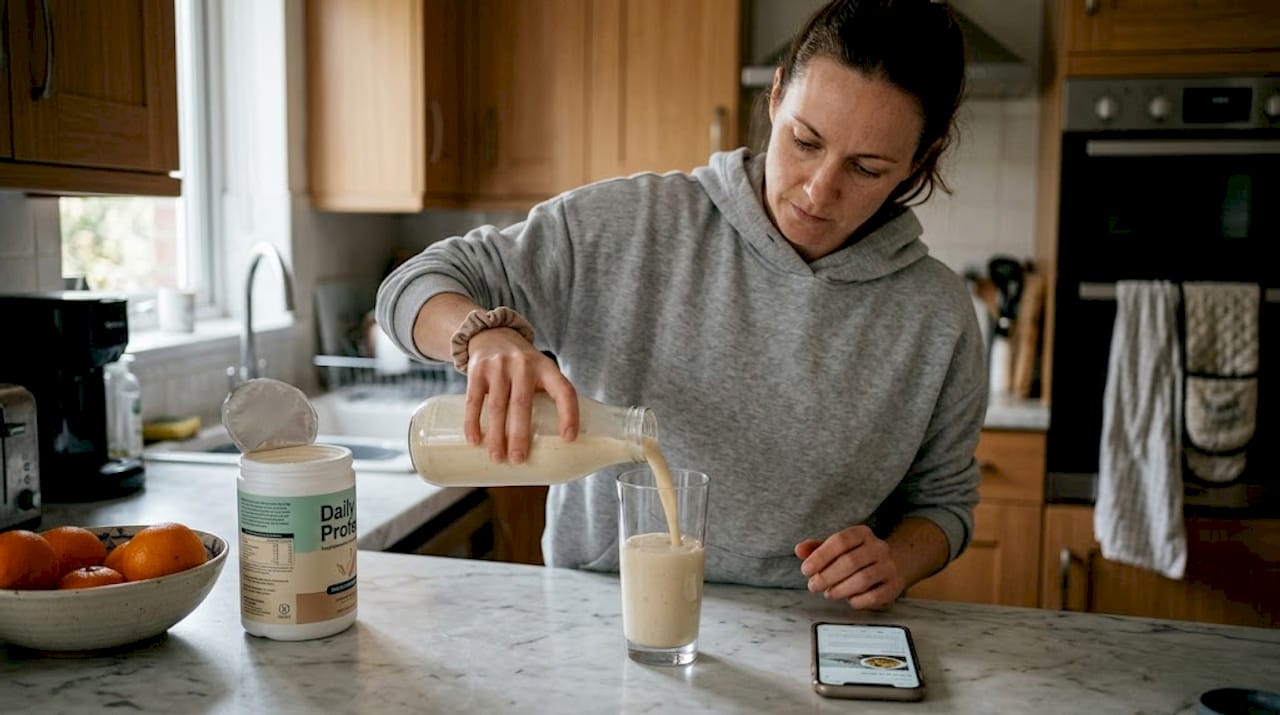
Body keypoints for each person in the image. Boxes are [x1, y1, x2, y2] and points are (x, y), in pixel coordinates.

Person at [376, 0, 984, 610]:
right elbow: (411, 287)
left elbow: (944, 505)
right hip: (601, 615)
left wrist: (897, 560)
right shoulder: (629, 227)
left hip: (806, 632)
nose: (818, 189)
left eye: (866, 168)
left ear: (919, 162)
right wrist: (483, 335)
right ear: (775, 98)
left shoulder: (937, 315)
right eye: (804, 141)